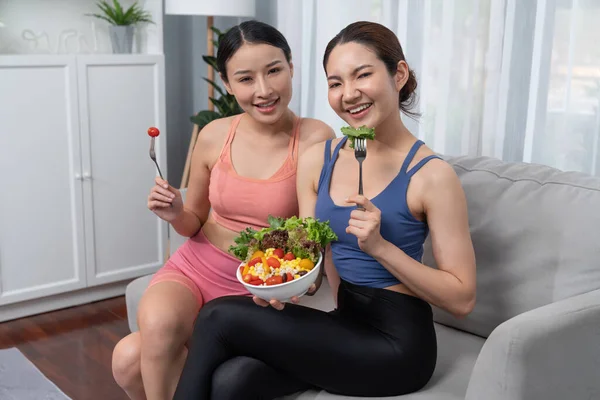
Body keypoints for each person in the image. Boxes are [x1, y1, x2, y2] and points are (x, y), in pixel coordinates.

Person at [172, 21, 476, 400]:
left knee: (219, 315)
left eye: (362, 75)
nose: (349, 94)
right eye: (335, 83)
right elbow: (311, 263)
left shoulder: (431, 176)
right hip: (345, 320)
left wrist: (382, 248)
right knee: (231, 382)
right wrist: (287, 283)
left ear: (398, 74)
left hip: (399, 345)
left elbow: (462, 299)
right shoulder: (320, 159)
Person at [111, 20, 335, 400]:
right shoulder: (215, 133)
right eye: (246, 79)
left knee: (132, 356)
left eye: (274, 71)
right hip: (196, 267)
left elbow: (317, 232)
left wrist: (307, 280)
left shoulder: (315, 137)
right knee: (132, 351)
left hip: (259, 286)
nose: (264, 90)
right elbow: (192, 222)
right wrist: (176, 212)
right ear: (228, 85)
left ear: (292, 68)